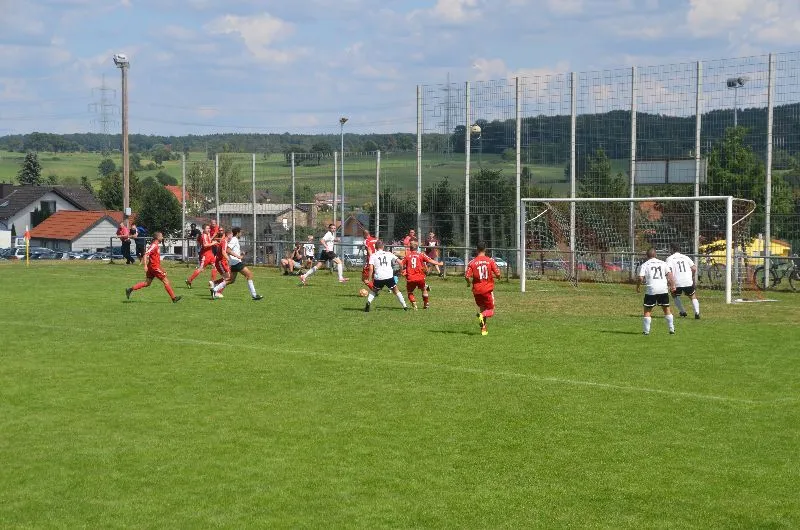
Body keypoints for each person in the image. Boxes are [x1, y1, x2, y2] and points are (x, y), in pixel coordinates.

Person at [125, 231, 182, 303]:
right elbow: (145, 254)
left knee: (147, 283)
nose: (162, 237)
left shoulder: (156, 245)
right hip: (154, 267)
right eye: (161, 236)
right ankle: (174, 298)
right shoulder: (154, 245)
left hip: (152, 267)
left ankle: (130, 289)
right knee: (166, 281)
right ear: (158, 237)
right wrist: (145, 265)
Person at [211, 227, 263, 300]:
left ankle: (214, 289)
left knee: (231, 280)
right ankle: (254, 295)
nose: (241, 234)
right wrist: (238, 256)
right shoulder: (234, 239)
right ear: (237, 233)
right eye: (240, 232)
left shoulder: (234, 240)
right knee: (249, 275)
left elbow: (231, 250)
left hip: (234, 262)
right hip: (236, 262)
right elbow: (228, 250)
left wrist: (240, 253)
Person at [636, 247, 676, 335]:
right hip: (663, 289)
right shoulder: (663, 263)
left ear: (647, 256)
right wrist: (673, 286)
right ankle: (671, 329)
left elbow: (640, 278)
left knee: (647, 310)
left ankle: (646, 331)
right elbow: (670, 275)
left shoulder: (645, 264)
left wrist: (638, 287)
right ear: (656, 255)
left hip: (651, 290)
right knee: (666, 309)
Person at [465, 241, 501, 336]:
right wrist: (498, 277)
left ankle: (483, 330)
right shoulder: (490, 261)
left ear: (477, 250)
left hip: (477, 291)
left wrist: (468, 283)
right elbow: (498, 273)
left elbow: (467, 276)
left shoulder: (472, 262)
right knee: (490, 311)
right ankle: (482, 316)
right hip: (487, 290)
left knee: (482, 308)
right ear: (485, 249)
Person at [364, 240, 408, 312]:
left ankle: (368, 302)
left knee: (374, 291)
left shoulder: (373, 255)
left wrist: (369, 279)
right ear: (383, 246)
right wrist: (401, 271)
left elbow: (371, 268)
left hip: (378, 277)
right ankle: (405, 306)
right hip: (388, 276)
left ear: (375, 247)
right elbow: (400, 262)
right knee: (396, 291)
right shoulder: (389, 254)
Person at [401, 240, 443, 310]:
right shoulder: (421, 255)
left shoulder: (407, 256)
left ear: (410, 248)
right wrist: (439, 263)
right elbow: (430, 260)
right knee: (424, 289)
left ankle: (414, 303)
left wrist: (402, 270)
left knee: (410, 292)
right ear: (417, 248)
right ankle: (426, 304)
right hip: (420, 277)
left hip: (410, 277)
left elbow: (401, 263)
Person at [666, 242, 700, 319]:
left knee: (674, 295)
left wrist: (669, 282)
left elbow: (668, 271)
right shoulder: (685, 257)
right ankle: (697, 312)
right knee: (692, 296)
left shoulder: (670, 258)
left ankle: (682, 311)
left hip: (677, 281)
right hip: (687, 280)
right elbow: (694, 268)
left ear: (672, 249)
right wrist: (691, 276)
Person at [185, 224, 218, 288]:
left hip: (210, 254)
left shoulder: (207, 235)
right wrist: (213, 243)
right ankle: (189, 280)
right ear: (203, 229)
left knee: (215, 267)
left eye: (209, 228)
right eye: (207, 228)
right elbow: (205, 245)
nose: (209, 229)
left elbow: (208, 241)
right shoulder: (204, 236)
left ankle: (212, 282)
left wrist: (213, 241)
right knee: (200, 269)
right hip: (205, 255)